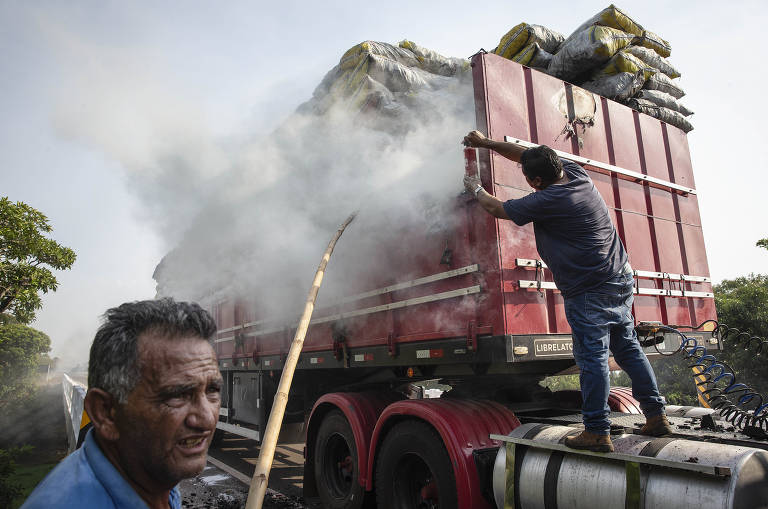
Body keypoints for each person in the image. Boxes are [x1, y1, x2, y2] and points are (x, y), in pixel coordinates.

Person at [462, 130, 671, 453]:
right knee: (627, 348)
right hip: (619, 277)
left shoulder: (548, 199)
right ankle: (656, 415)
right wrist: (486, 143)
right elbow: (523, 153)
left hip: (589, 291)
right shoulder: (575, 173)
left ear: (535, 181)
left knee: (593, 359)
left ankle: (597, 432)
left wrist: (475, 188)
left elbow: (497, 209)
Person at [23, 298, 222, 508]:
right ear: (106, 412)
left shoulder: (155, 477)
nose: (207, 419)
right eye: (176, 396)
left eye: (212, 390)